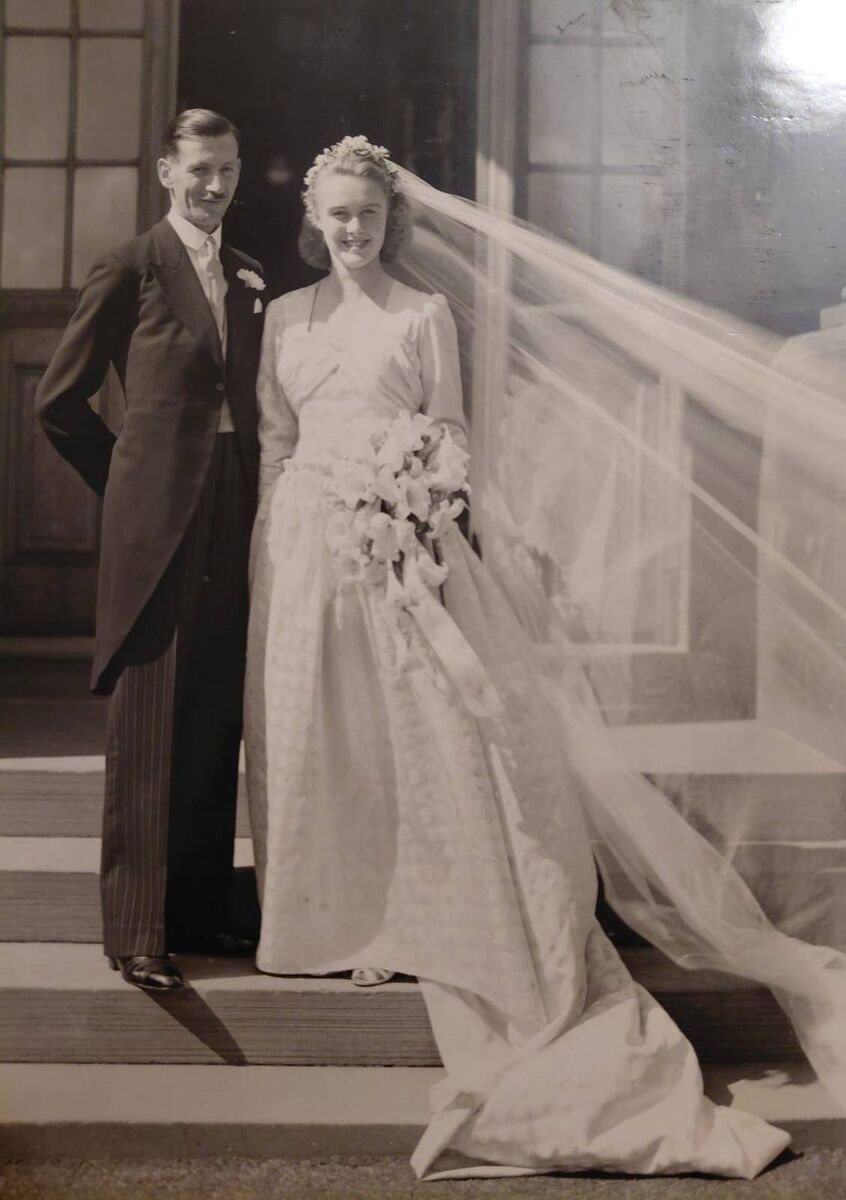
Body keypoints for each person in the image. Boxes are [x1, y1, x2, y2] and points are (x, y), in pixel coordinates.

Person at [243, 136, 846, 1180]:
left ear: (391, 223)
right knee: (320, 732)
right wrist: (275, 538)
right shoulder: (288, 319)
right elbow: (273, 439)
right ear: (314, 218)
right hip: (304, 553)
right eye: (337, 217)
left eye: (367, 218)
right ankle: (328, 913)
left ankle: (407, 913)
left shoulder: (421, 317)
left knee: (418, 733)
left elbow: (451, 434)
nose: (352, 232)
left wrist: (417, 501)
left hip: (403, 549)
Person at [36, 109, 266, 992]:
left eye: (229, 170)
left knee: (213, 717)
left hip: (234, 506)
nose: (216, 186)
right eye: (201, 169)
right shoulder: (131, 266)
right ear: (166, 173)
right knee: (149, 725)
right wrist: (128, 490)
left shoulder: (249, 275)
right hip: (155, 524)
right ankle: (137, 933)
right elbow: (58, 403)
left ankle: (202, 912)